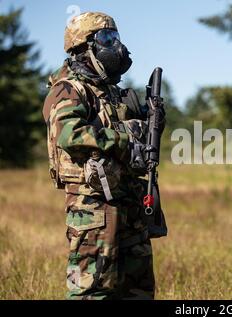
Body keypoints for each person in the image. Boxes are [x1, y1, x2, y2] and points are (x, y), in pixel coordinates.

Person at [42, 12, 166, 300]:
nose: (116, 46)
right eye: (106, 38)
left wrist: (151, 121)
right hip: (93, 208)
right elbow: (70, 133)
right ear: (82, 47)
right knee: (93, 292)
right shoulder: (67, 90)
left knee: (138, 290)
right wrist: (124, 140)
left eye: (116, 37)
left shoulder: (112, 93)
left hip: (130, 203)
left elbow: (143, 137)